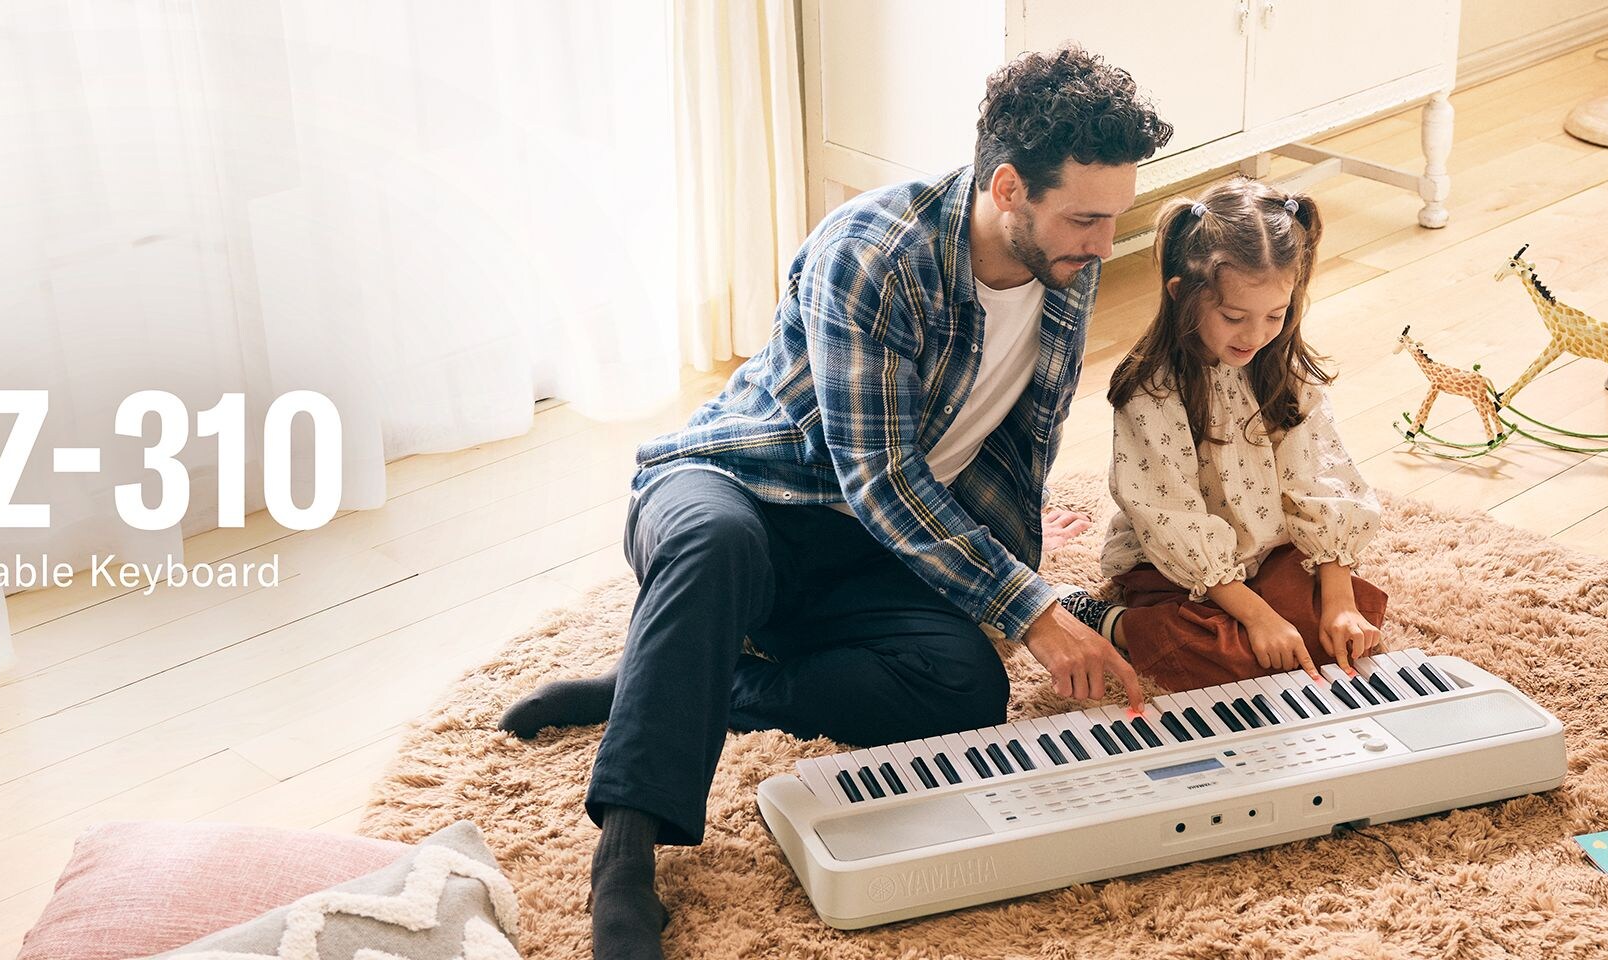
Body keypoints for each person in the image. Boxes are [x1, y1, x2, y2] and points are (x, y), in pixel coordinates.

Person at [494, 47, 1170, 960]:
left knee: (965, 686)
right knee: (713, 548)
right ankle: (623, 869)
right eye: (1087, 219)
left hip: (862, 549)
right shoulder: (875, 255)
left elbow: (1019, 449)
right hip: (743, 489)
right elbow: (881, 475)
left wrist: (1013, 590)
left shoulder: (1063, 263)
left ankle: (695, 682)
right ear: (1008, 187)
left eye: (1114, 218)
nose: (1103, 245)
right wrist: (1034, 611)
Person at [1054, 179, 1390, 695]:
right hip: (1176, 568)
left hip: (1265, 552)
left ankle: (1281, 613)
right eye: (1234, 317)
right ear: (1182, 295)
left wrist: (1339, 598)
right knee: (1225, 651)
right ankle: (1109, 620)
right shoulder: (1153, 392)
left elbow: (1319, 476)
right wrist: (1258, 618)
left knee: (1337, 622)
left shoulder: (1282, 369)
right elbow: (1172, 520)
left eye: (1275, 316)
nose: (1255, 337)